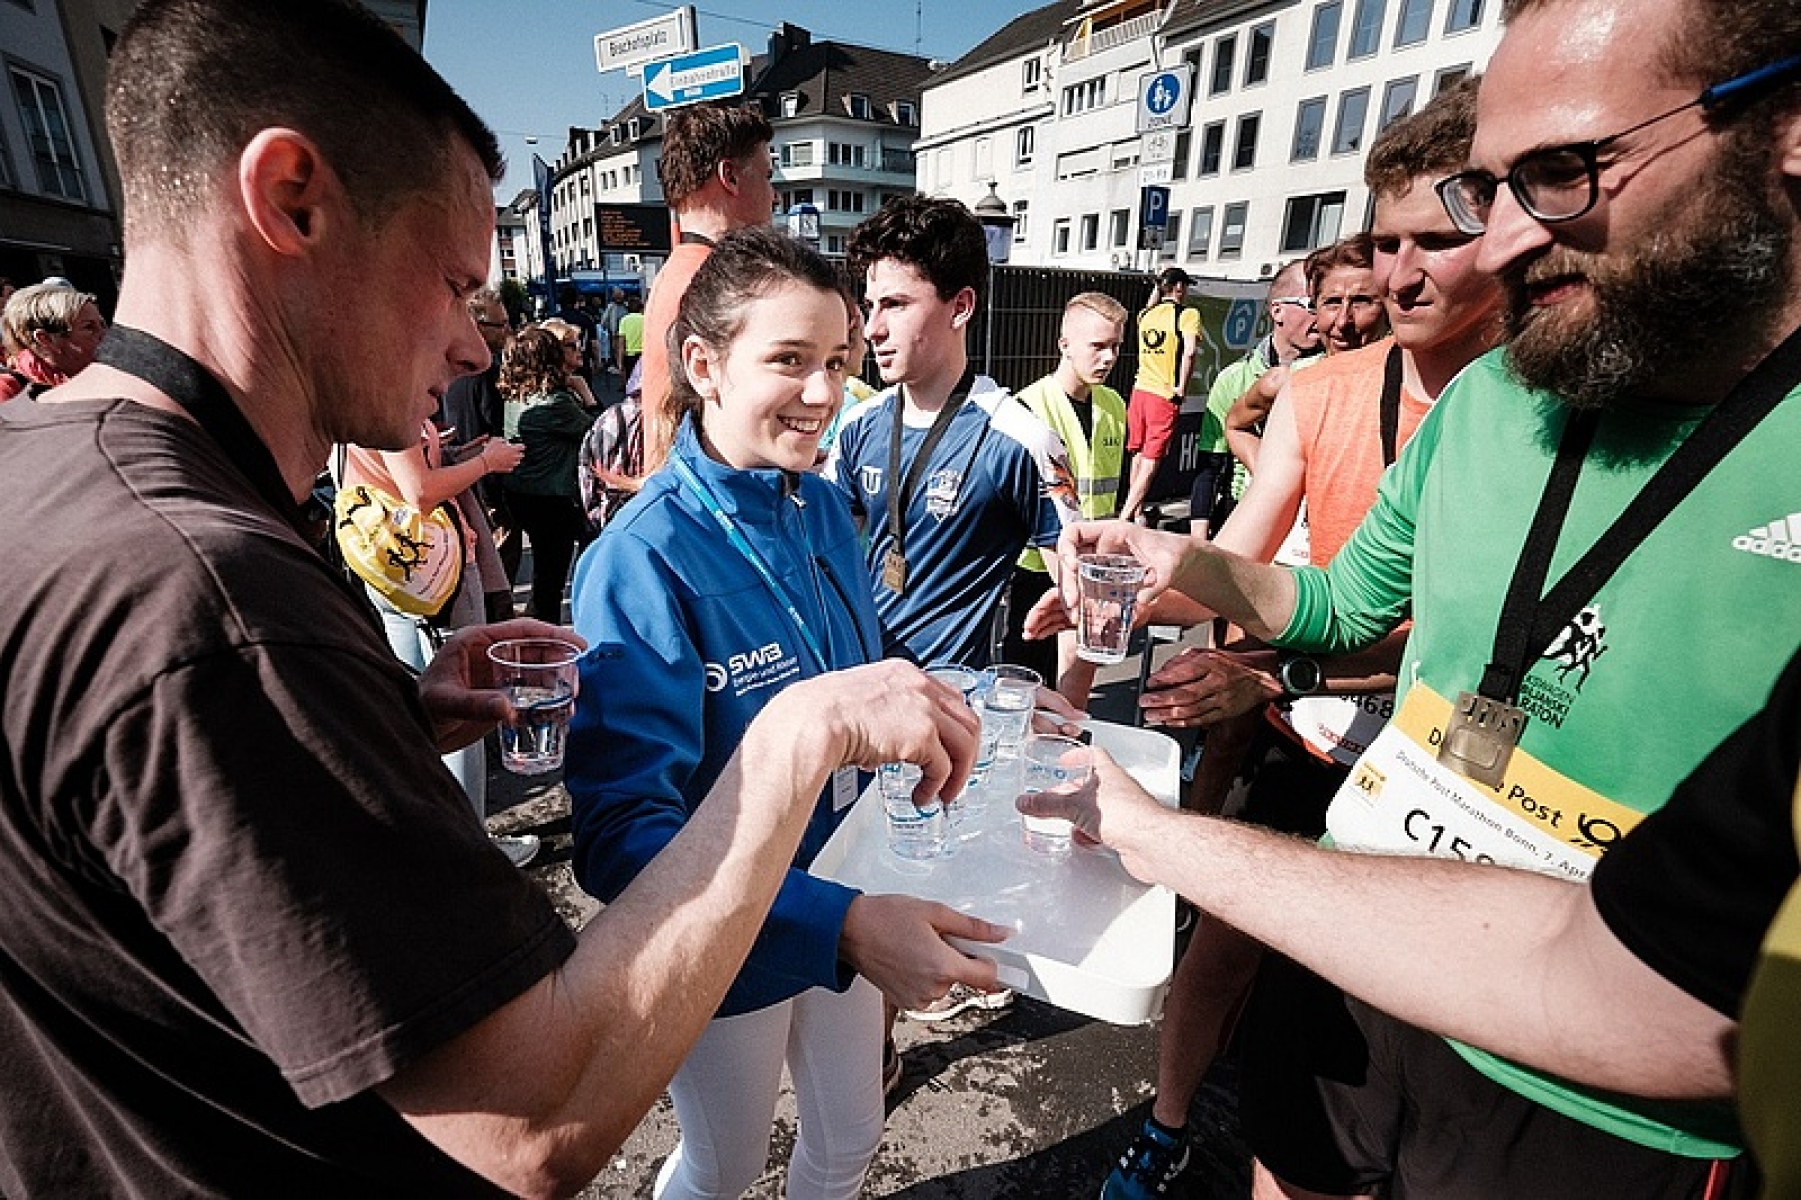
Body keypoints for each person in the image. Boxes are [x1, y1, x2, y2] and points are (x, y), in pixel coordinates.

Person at [0, 1, 983, 1196]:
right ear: (292, 199)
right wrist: (798, 744)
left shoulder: (48, 468)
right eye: (458, 278)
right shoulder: (205, 587)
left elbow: (134, 836)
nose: (476, 348)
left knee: (843, 1136)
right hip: (725, 958)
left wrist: (383, 717)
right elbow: (531, 1123)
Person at [1050, 0, 1801, 1190]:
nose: (1499, 246)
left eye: (1561, 172)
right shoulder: (1489, 396)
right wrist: (1179, 563)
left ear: (1782, 129)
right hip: (1365, 951)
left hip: (1602, 1099)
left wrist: (1163, 834)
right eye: (1482, 194)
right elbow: (1339, 604)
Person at [1097, 78, 1505, 1200]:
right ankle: (1169, 1125)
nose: (1398, 274)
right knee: (1225, 948)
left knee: (1413, 1013)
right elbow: (1255, 560)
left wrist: (1257, 662)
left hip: (1456, 763)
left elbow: (1454, 640)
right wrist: (1135, 585)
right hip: (1314, 732)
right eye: (1384, 244)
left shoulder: (1528, 396)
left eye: (1436, 238)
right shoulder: (1320, 390)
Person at [564, 227, 1007, 1199]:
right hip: (733, 941)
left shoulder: (818, 508)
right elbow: (618, 843)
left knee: (850, 1139)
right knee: (720, 1172)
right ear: (703, 364)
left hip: (854, 890)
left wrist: (974, 702)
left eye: (839, 362)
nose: (823, 393)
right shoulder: (640, 561)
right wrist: (841, 924)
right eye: (790, 360)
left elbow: (861, 675)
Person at [826, 194, 1079, 671]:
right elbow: (826, 562)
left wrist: (1072, 720)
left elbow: (1079, 602)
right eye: (869, 307)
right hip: (861, 693)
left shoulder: (1021, 438)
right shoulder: (858, 425)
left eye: (896, 305)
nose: (873, 329)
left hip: (953, 712)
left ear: (960, 307)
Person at [339, 419, 538, 866]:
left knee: (419, 706)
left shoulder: (361, 401)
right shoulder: (392, 400)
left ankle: (436, 830)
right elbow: (420, 490)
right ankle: (472, 845)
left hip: (388, 566)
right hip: (434, 571)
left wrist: (447, 451)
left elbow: (397, 471)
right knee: (460, 704)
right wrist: (488, 463)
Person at [637, 103, 777, 478]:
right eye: (767, 176)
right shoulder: (713, 282)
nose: (774, 195)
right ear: (729, 176)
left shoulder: (677, 271)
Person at [1002, 291, 1129, 702]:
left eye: (1115, 347)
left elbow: (1112, 487)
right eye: (1097, 346)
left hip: (1095, 565)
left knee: (1078, 678)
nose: (1108, 358)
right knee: (1027, 685)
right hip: (1038, 569)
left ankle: (1068, 747)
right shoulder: (1029, 407)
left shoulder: (1114, 405)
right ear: (1064, 346)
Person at [1200, 259, 1321, 524]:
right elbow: (1210, 467)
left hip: (1311, 517)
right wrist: (1200, 542)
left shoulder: (1333, 371)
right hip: (1244, 510)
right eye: (1312, 304)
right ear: (1277, 311)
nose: (1322, 315)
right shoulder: (1234, 378)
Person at [499, 325, 596, 623]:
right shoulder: (556, 403)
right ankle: (545, 639)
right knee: (551, 578)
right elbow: (597, 431)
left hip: (520, 493)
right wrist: (586, 395)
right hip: (552, 499)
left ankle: (539, 628)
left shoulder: (515, 397)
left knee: (545, 573)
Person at [1120, 266, 1201, 524]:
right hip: (1163, 394)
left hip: (1139, 391)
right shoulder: (1188, 315)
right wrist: (1181, 388)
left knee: (1137, 454)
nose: (1186, 290)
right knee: (1152, 459)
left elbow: (1149, 305)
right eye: (1184, 285)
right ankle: (1125, 518)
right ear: (1178, 287)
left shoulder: (1146, 315)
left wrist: (1157, 288)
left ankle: (1137, 510)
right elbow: (1189, 352)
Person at [0, 281, 107, 401]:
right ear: (46, 339)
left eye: (102, 325)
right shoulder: (8, 391)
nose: (105, 335)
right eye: (89, 327)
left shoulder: (111, 377)